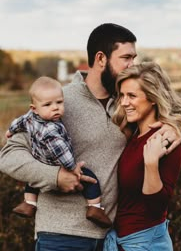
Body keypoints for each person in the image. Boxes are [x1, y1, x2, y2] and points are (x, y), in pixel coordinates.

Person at [0, 23, 181, 251]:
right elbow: (9, 156)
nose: (132, 65)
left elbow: (170, 112)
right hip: (61, 237)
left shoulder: (127, 103)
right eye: (126, 58)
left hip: (109, 242)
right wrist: (55, 177)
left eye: (134, 58)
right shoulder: (59, 100)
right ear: (101, 58)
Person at [104, 62, 181, 251]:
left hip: (145, 250)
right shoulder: (133, 135)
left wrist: (151, 164)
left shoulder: (165, 140)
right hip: (125, 246)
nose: (124, 103)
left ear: (152, 98)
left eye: (132, 96)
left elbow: (157, 206)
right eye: (121, 95)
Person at [6, 76, 112, 228]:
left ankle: (29, 203)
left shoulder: (30, 118)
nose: (55, 107)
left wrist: (10, 131)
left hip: (40, 161)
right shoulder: (51, 129)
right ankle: (95, 208)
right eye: (48, 104)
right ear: (34, 108)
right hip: (59, 164)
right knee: (91, 179)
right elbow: (63, 155)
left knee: (33, 182)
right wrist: (73, 167)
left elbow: (19, 122)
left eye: (59, 102)